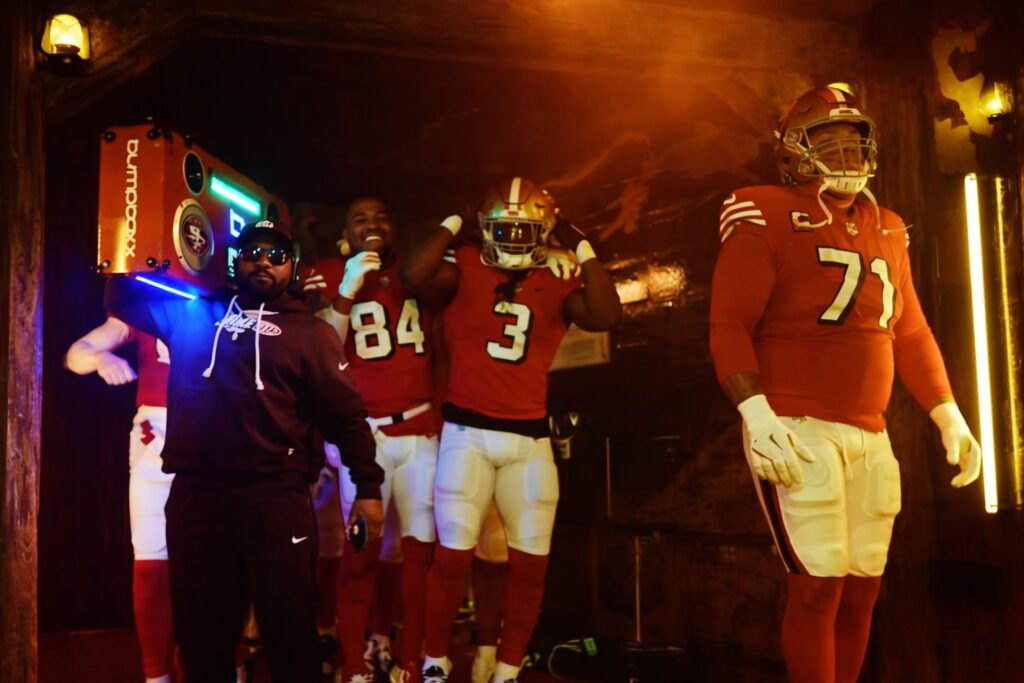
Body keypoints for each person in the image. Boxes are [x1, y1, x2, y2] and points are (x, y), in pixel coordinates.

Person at [709, 85, 982, 683]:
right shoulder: (763, 210)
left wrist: (947, 412)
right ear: (793, 151)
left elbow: (909, 333)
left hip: (871, 432)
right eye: (828, 143)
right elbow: (728, 324)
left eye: (854, 144)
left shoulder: (887, 226)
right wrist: (757, 414)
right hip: (797, 426)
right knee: (817, 586)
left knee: (862, 588)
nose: (847, 157)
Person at [104, 218, 385, 683]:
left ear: (292, 266)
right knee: (202, 636)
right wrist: (128, 231)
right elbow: (119, 295)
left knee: (289, 631)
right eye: (253, 252)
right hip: (198, 496)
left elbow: (347, 418)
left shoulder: (311, 334)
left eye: (276, 255)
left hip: (275, 498)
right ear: (235, 261)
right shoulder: (192, 312)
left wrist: (369, 489)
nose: (263, 262)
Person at [401, 177, 622, 683]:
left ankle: (507, 668)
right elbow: (415, 274)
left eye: (527, 230)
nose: (516, 241)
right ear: (484, 229)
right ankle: (435, 661)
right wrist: (455, 217)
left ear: (545, 231)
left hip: (529, 438)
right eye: (505, 229)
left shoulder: (560, 276)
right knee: (452, 558)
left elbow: (607, 314)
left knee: (530, 566)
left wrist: (581, 244)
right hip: (466, 433)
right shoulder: (466, 265)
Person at [309, 196, 443, 683]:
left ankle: (409, 659)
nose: (373, 225)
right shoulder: (327, 271)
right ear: (345, 229)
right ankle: (352, 663)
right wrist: (346, 289)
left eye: (381, 217)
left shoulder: (417, 273)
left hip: (418, 432)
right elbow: (319, 345)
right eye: (360, 218)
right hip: (363, 441)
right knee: (358, 553)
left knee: (418, 555)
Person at [66, 320, 177, 683]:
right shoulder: (144, 297)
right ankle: (157, 676)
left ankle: (225, 664)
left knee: (219, 560)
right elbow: (76, 354)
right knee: (151, 557)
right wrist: (101, 358)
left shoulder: (226, 290)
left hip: (218, 427)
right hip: (156, 433)